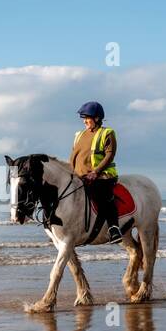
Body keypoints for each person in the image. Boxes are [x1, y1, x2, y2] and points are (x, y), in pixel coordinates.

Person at [70, 101, 121, 243]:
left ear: (97, 118)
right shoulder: (79, 135)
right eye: (83, 118)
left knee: (103, 196)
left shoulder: (107, 133)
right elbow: (74, 156)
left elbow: (110, 155)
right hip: (80, 176)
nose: (85, 121)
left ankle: (113, 228)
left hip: (102, 176)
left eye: (87, 118)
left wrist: (96, 172)